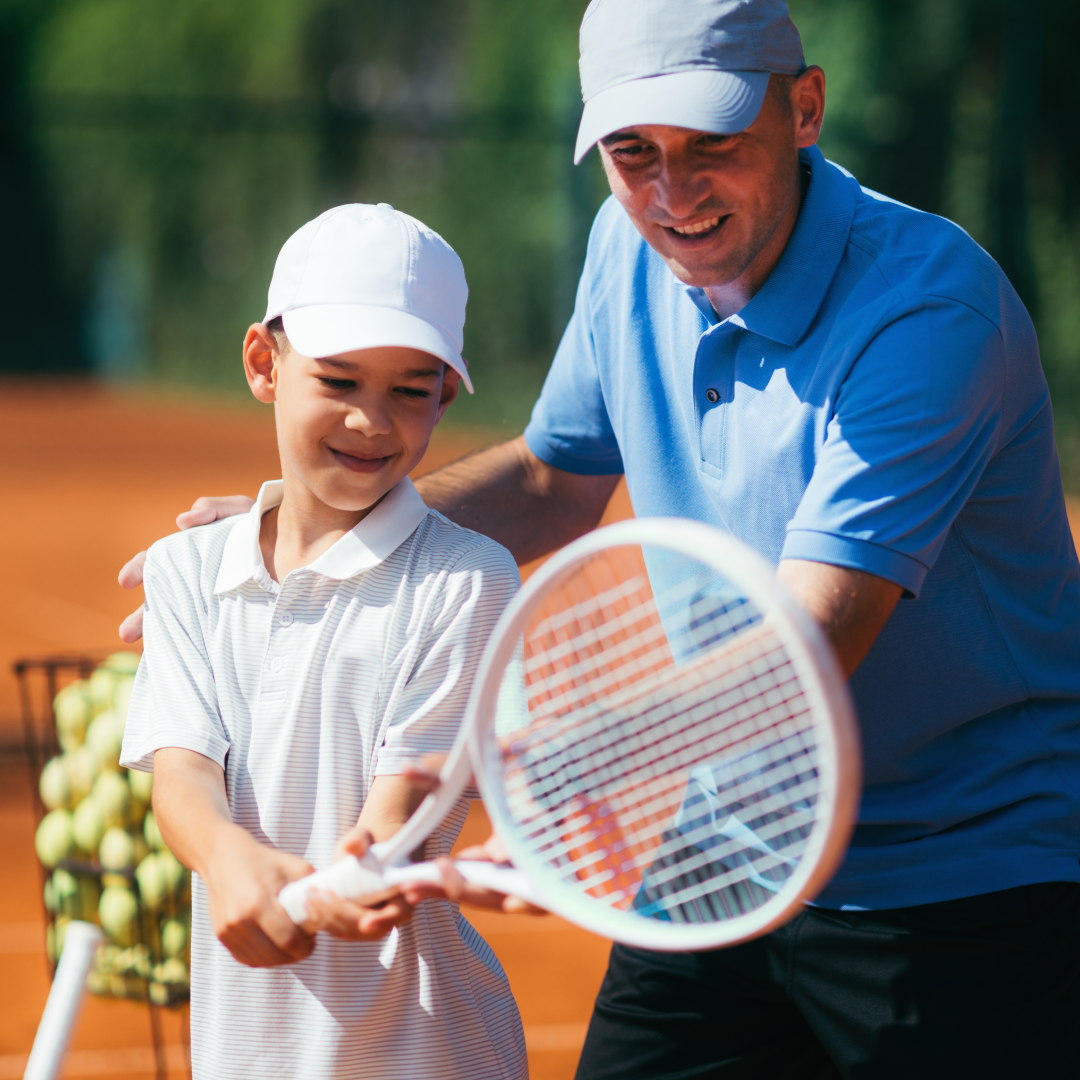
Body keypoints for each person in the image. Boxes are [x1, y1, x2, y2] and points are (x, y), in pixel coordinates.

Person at [120, 0, 1080, 1075]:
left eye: (713, 144)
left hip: (962, 870)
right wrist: (318, 535)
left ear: (803, 107)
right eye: (633, 154)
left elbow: (800, 654)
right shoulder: (626, 251)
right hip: (732, 845)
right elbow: (547, 479)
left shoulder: (929, 314)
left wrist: (537, 768)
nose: (673, 196)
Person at [119, 203, 527, 1079]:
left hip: (432, 1057)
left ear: (446, 395)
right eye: (338, 382)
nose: (372, 423)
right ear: (265, 364)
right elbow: (183, 771)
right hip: (242, 1054)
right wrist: (230, 861)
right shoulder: (186, 571)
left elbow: (402, 814)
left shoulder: (471, 578)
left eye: (410, 391)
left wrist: (365, 868)